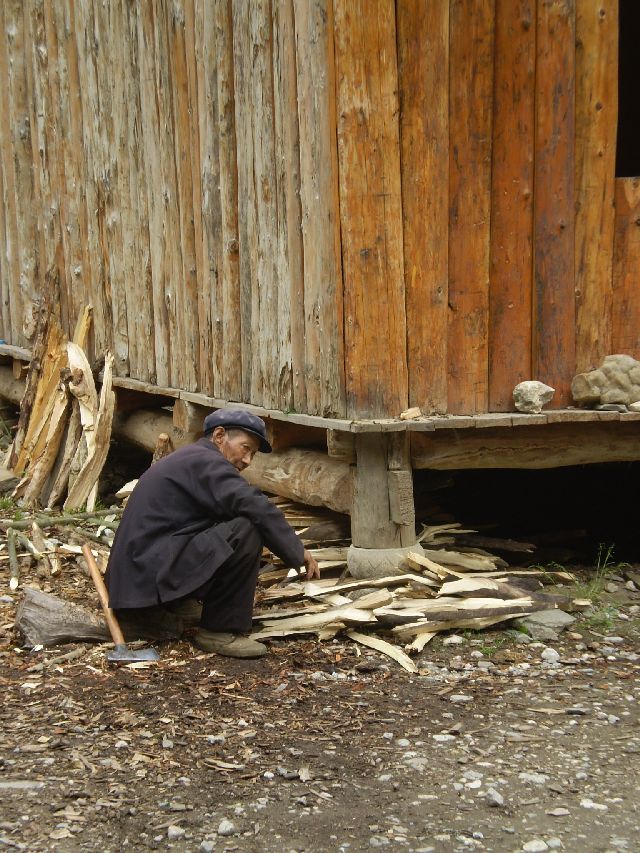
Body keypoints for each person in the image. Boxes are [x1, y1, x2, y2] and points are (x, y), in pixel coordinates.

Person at [105, 409, 319, 658]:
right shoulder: (205, 462)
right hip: (143, 575)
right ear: (219, 436)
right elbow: (253, 503)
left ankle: (172, 605)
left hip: (139, 577)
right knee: (246, 528)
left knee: (226, 521)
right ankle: (219, 630)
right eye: (245, 448)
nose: (248, 460)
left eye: (252, 454)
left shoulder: (193, 459)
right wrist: (296, 549)